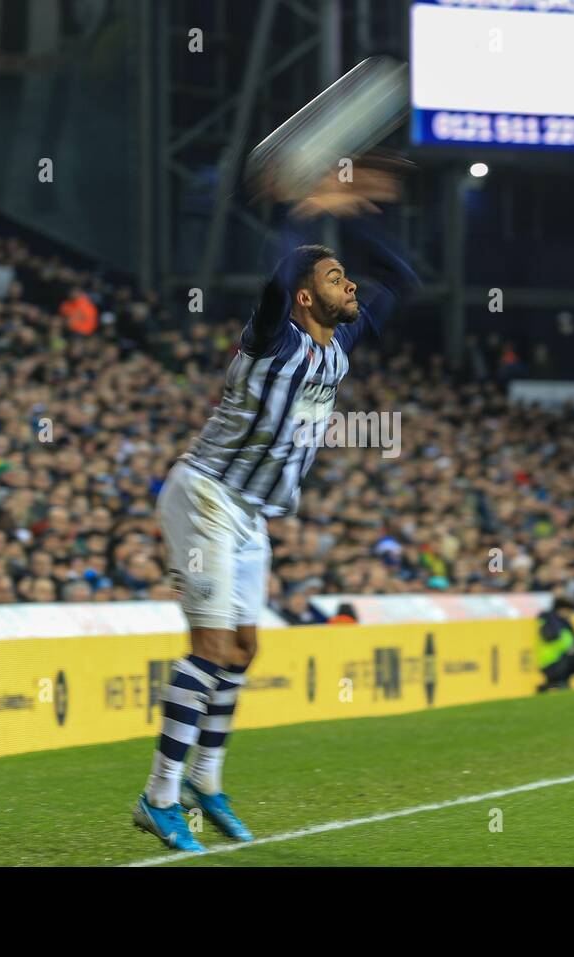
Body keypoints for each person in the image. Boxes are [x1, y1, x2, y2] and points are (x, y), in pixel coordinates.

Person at [133, 160, 419, 853]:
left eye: (346, 277)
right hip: (205, 492)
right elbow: (273, 276)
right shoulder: (273, 337)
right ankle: (158, 795)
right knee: (209, 648)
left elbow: (403, 282)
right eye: (330, 278)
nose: (347, 284)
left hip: (252, 511)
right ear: (301, 298)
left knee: (243, 649)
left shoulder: (338, 344)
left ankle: (206, 778)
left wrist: (362, 217)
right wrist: (303, 209)